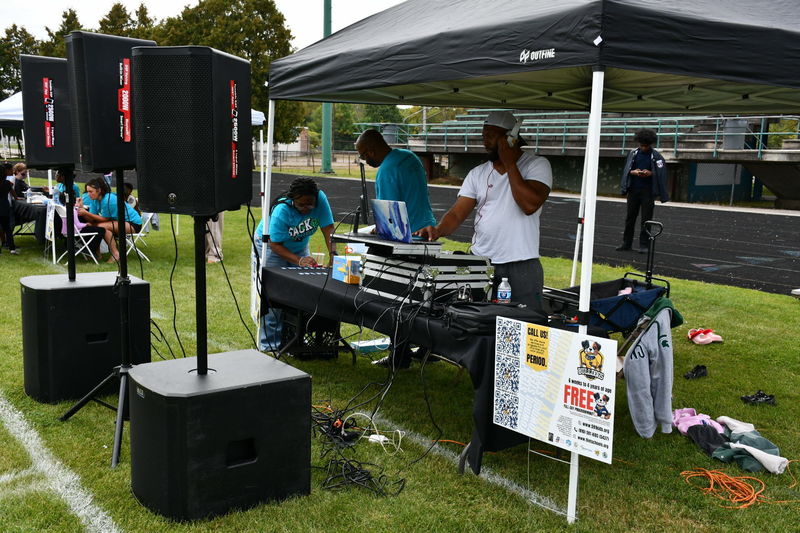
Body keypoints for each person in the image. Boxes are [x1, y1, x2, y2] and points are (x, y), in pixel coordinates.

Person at [416, 110, 552, 311]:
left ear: (511, 138)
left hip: (521, 265)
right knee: (477, 319)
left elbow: (529, 205)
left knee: (524, 322)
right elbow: (457, 213)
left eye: (491, 136)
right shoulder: (477, 173)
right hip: (481, 261)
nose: (485, 141)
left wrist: (509, 163)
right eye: (483, 135)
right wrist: (438, 230)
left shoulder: (537, 165)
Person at [254, 177, 336, 352]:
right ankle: (270, 344)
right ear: (293, 200)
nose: (306, 209)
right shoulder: (281, 210)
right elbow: (275, 244)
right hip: (270, 246)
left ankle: (292, 340)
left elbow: (328, 228)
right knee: (274, 294)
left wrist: (333, 255)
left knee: (301, 291)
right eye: (301, 205)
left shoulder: (320, 199)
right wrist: (299, 261)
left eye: (310, 205)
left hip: (298, 246)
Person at [355, 129, 436, 232]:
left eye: (362, 156)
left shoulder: (387, 170)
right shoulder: (410, 156)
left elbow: (388, 218)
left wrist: (379, 228)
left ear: (371, 152)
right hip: (428, 229)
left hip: (409, 234)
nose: (365, 160)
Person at [616, 128, 669, 253]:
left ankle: (644, 245)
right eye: (641, 145)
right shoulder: (633, 153)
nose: (643, 148)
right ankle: (626, 243)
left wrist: (650, 173)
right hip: (633, 191)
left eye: (646, 146)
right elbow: (627, 170)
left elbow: (661, 173)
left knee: (646, 220)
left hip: (648, 192)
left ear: (650, 144)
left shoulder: (656, 156)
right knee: (630, 218)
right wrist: (633, 172)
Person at [78, 177, 142, 262]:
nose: (88, 194)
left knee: (101, 227)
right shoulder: (94, 200)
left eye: (90, 191)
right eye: (87, 191)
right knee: (97, 227)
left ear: (99, 190)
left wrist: (86, 213)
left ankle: (115, 254)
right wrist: (81, 209)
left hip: (133, 223)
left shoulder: (109, 199)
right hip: (118, 222)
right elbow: (92, 219)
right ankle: (98, 253)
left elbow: (105, 219)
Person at [0, 175, 17, 255]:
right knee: (7, 228)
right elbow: (12, 191)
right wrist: (16, 198)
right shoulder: (7, 183)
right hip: (4, 207)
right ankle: (12, 248)